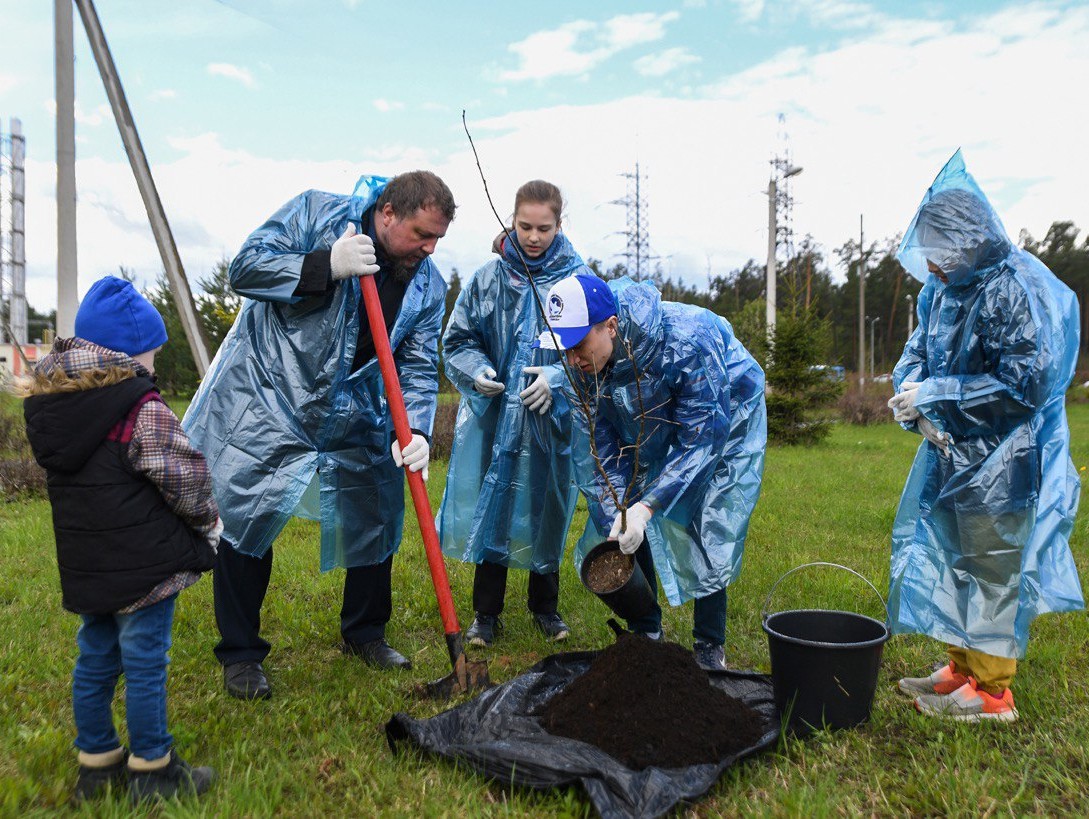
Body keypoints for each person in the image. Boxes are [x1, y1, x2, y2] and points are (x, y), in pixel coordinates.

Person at [183, 171, 454, 699]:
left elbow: (418, 364)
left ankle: (366, 634)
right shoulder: (316, 215)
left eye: (438, 238)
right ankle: (240, 654)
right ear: (388, 213)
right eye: (422, 234)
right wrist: (324, 265)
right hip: (271, 396)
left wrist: (417, 427)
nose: (429, 248)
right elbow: (246, 268)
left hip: (354, 408)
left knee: (375, 511)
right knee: (247, 515)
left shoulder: (426, 282)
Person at [887, 150, 1084, 722]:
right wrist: (910, 394)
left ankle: (994, 693)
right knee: (955, 557)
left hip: (1005, 456)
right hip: (950, 453)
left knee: (992, 564)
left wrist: (936, 395)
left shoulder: (1015, 287)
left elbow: (1024, 386)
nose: (934, 268)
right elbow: (917, 351)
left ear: (969, 240)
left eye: (939, 254)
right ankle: (961, 669)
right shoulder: (942, 289)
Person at [19, 276, 220, 802]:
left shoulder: (54, 408)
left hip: (89, 566)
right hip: (143, 570)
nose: (153, 364)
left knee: (95, 657)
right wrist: (208, 524)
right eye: (151, 353)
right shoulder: (140, 408)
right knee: (146, 663)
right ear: (129, 352)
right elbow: (185, 479)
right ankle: (153, 771)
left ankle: (97, 764)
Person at [535, 273, 767, 671]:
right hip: (647, 418)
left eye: (577, 346)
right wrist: (620, 513)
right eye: (563, 348)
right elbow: (600, 451)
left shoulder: (688, 340)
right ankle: (646, 629)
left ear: (611, 326)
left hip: (725, 420)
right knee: (624, 514)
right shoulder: (582, 365)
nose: (571, 359)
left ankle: (709, 643)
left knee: (705, 518)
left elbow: (702, 438)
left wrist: (649, 506)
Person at [439, 180, 590, 646]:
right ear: (512, 220)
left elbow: (592, 349)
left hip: (551, 416)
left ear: (559, 224)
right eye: (525, 226)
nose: (534, 237)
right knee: (497, 501)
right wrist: (477, 371)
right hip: (496, 416)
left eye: (544, 228)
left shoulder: (577, 281)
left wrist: (559, 383)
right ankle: (486, 614)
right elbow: (459, 339)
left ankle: (545, 607)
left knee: (548, 505)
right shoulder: (489, 279)